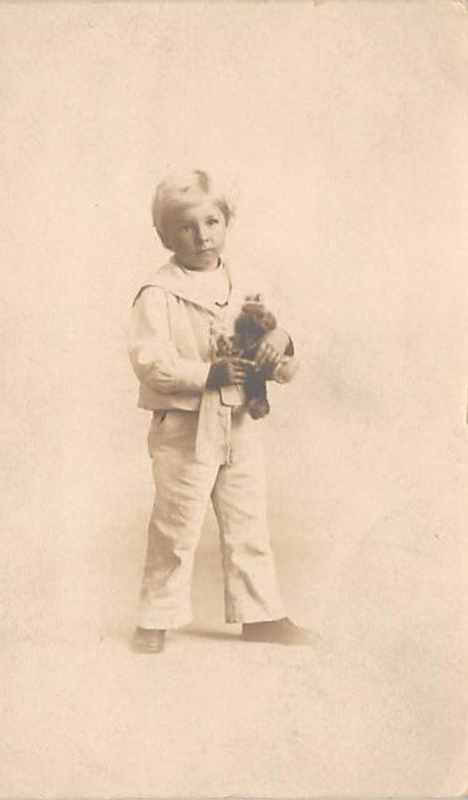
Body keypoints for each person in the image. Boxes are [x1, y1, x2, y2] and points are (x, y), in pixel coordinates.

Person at [128, 169, 304, 653]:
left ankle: (261, 614)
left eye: (212, 221)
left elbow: (273, 336)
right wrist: (209, 375)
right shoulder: (159, 293)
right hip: (184, 426)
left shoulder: (244, 283)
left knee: (247, 517)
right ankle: (155, 618)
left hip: (239, 421)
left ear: (227, 222)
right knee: (176, 523)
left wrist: (279, 340)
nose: (202, 235)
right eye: (186, 226)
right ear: (165, 234)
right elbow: (151, 363)